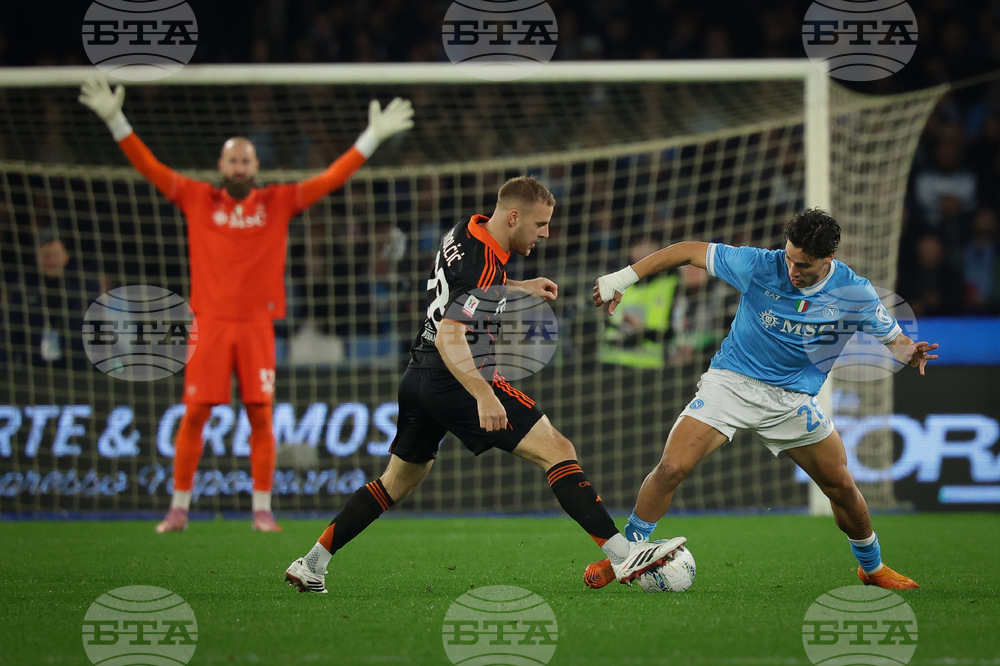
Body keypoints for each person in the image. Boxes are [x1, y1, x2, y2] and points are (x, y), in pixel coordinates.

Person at [284, 176, 685, 593]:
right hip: (456, 375)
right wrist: (483, 394)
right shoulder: (485, 262)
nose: (546, 234)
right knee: (558, 450)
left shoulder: (467, 229)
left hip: (418, 375)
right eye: (540, 224)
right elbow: (450, 334)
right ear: (514, 217)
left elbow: (469, 284)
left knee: (396, 482)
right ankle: (622, 555)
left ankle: (312, 562)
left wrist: (520, 285)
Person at [78, 78, 414, 533]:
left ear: (256, 165)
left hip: (257, 324)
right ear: (221, 164)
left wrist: (370, 137)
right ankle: (178, 509)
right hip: (211, 323)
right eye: (233, 160)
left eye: (246, 160)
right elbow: (149, 166)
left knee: (260, 415)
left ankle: (261, 510)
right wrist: (115, 120)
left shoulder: (277, 202)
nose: (239, 167)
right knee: (194, 414)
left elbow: (332, 178)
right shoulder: (197, 197)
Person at [586, 208, 939, 590]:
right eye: (789, 257)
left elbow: (896, 341)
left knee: (841, 487)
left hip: (792, 400)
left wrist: (910, 352)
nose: (791, 269)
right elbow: (687, 251)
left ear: (828, 261)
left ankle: (872, 568)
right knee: (671, 468)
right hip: (732, 383)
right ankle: (626, 555)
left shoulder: (854, 292)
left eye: (802, 264)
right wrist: (622, 278)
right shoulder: (759, 264)